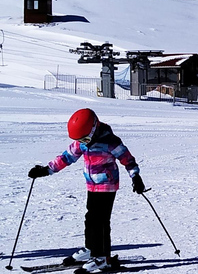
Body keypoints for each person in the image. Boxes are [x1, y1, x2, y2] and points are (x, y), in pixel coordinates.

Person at [28, 108, 145, 273]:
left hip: (107, 185)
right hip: (91, 185)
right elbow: (66, 157)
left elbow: (128, 160)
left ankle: (102, 257)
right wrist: (47, 170)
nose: (83, 142)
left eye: (84, 138)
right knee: (90, 219)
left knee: (101, 221)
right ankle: (91, 249)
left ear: (94, 129)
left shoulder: (111, 141)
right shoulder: (82, 143)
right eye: (80, 139)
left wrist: (135, 177)